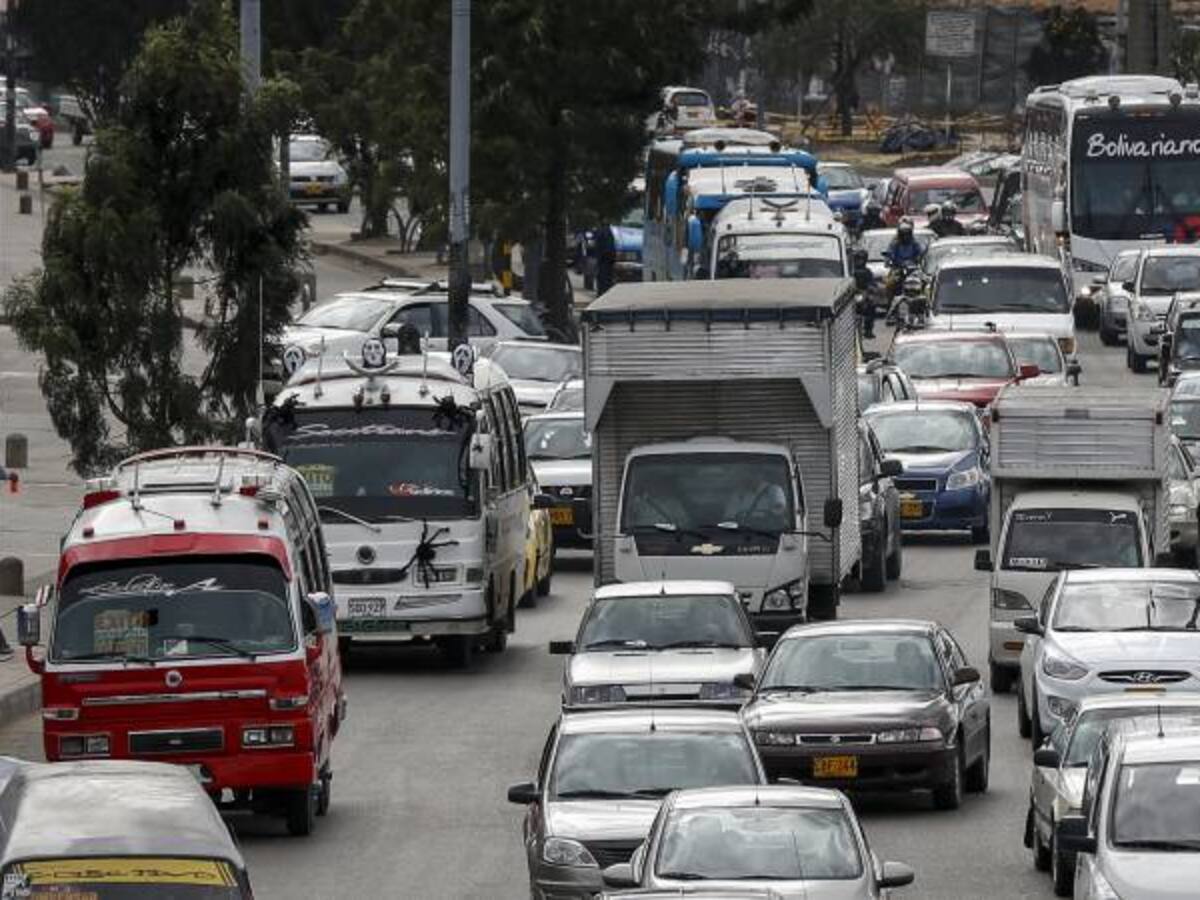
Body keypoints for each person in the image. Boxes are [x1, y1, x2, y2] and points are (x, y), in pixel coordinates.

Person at [594, 225, 616, 296]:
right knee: (607, 277)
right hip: (607, 258)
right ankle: (605, 292)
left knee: (603, 277)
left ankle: (602, 293)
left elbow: (600, 246)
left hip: (604, 258)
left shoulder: (602, 231)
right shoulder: (608, 231)